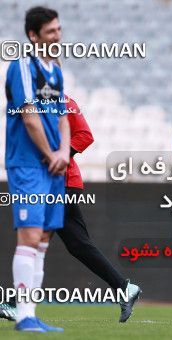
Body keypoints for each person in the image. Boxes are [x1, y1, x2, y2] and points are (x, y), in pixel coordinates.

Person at [5, 6, 69, 332]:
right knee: (29, 238)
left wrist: (64, 152)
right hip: (29, 163)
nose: (58, 36)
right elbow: (29, 117)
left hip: (53, 165)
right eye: (51, 32)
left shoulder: (55, 69)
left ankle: (31, 314)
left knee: (43, 240)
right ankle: (22, 316)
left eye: (59, 30)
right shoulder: (22, 66)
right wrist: (49, 154)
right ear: (33, 36)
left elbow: (62, 115)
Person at [55, 95, 141, 323]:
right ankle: (124, 288)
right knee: (78, 245)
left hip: (61, 183)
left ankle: (16, 302)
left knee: (34, 239)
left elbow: (85, 135)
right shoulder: (28, 101)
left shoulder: (63, 100)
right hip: (52, 184)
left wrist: (60, 156)